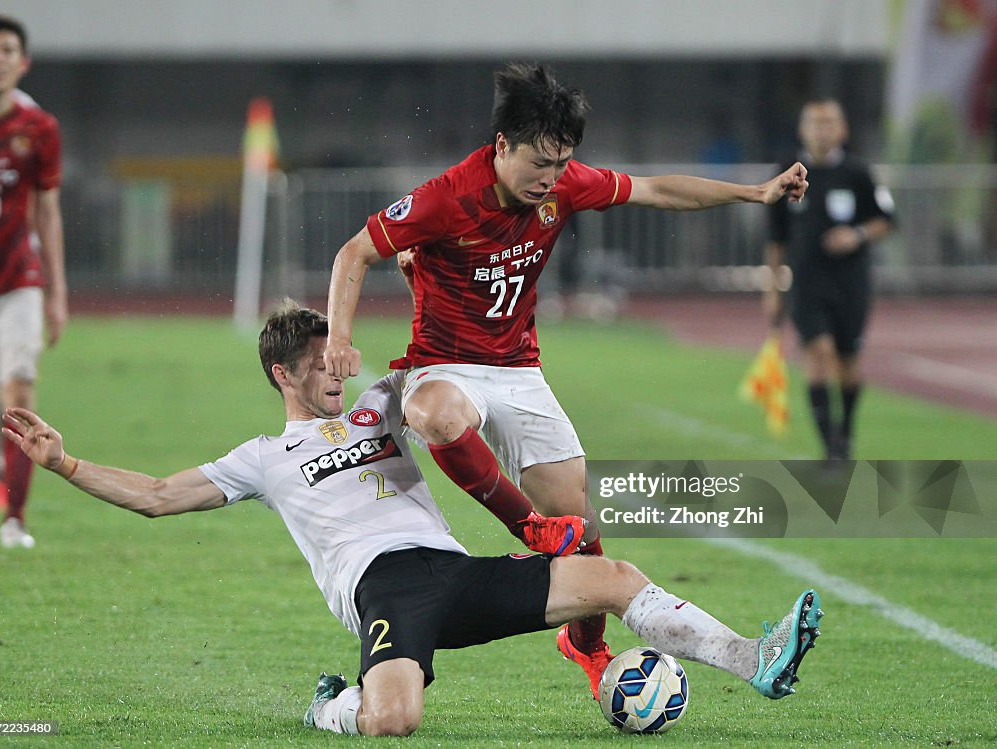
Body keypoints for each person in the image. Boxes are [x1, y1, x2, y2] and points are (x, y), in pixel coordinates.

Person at [2, 299, 824, 737]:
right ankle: (331, 704)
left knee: (612, 576)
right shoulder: (262, 455)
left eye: (340, 357)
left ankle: (753, 656)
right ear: (284, 375)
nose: (339, 370)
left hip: (451, 568)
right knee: (392, 719)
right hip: (385, 589)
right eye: (322, 365)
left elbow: (441, 384)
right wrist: (67, 464)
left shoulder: (378, 403)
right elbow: (154, 492)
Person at [324, 62, 809, 697]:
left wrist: (754, 192)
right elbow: (354, 251)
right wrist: (338, 339)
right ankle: (529, 529)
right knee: (438, 413)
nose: (548, 180)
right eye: (536, 164)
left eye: (560, 164)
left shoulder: (563, 185)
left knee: (585, 533)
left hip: (519, 371)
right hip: (443, 366)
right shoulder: (446, 196)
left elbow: (658, 190)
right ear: (501, 146)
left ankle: (588, 646)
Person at [0, 14, 67, 546]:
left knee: (17, 388)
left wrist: (57, 292)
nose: (0, 58)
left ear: (22, 62)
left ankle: (14, 517)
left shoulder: (38, 128)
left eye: (9, 49)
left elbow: (48, 212)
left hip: (16, 280)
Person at [764, 98, 895, 460]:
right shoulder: (788, 174)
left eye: (829, 123)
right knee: (818, 353)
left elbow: (886, 219)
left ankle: (847, 432)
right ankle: (830, 446)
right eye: (814, 123)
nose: (822, 130)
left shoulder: (858, 172)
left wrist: (857, 235)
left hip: (851, 282)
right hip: (807, 282)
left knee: (848, 360)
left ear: (842, 129)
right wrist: (773, 287)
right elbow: (775, 238)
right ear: (802, 129)